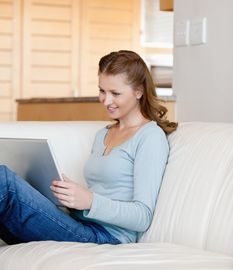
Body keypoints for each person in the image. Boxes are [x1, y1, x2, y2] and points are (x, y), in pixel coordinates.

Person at [0, 50, 177, 245]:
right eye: (102, 91)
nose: (106, 101)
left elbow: (142, 216)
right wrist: (67, 197)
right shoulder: (103, 134)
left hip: (107, 237)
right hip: (78, 221)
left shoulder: (150, 137)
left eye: (115, 93)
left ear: (139, 91)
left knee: (4, 181)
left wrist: (90, 201)